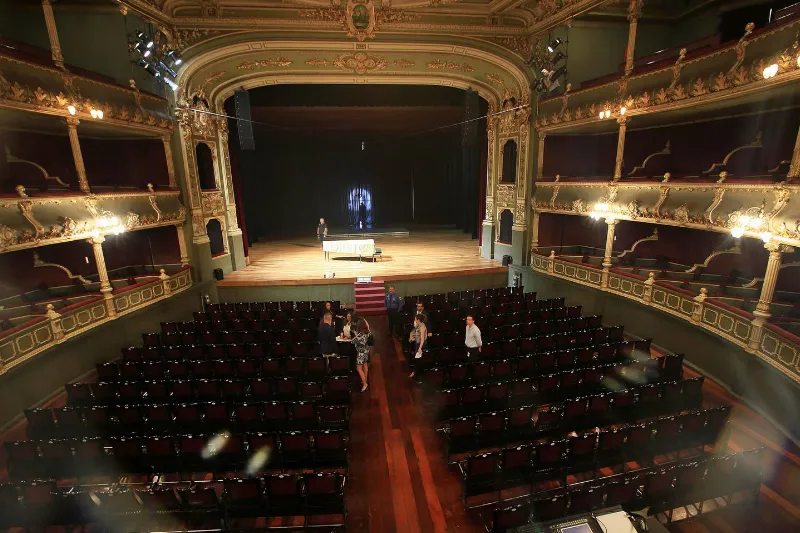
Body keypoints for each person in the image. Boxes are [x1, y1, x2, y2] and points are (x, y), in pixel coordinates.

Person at [352, 318, 371, 392]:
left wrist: (355, 334)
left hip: (361, 353)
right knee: (365, 365)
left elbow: (353, 341)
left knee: (359, 368)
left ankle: (365, 384)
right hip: (366, 351)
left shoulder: (360, 334)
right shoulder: (368, 332)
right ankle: (365, 380)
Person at [408, 313, 427, 379]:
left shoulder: (422, 327)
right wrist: (414, 338)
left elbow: (422, 339)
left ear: (418, 320)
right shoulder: (419, 325)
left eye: (415, 319)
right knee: (417, 360)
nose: (415, 320)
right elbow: (418, 336)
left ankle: (417, 374)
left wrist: (420, 348)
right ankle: (416, 373)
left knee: (418, 360)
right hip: (418, 344)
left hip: (421, 345)